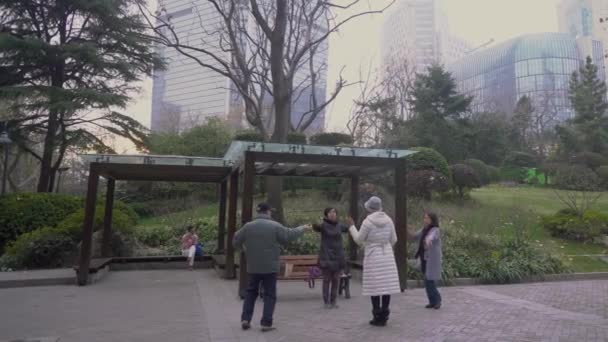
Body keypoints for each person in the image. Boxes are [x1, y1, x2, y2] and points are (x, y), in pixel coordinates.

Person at [233, 202, 312, 332]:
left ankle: (245, 319)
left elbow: (235, 240)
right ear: (268, 211)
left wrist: (244, 250)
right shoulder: (274, 226)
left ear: (258, 212)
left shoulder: (247, 227)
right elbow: (289, 235)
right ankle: (266, 323)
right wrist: (302, 228)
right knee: (269, 294)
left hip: (253, 266)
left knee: (251, 292)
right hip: (270, 267)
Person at [347, 196, 400, 327]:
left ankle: (376, 316)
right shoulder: (389, 220)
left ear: (369, 208)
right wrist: (385, 245)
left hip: (373, 255)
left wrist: (352, 227)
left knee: (375, 286)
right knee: (386, 286)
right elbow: (394, 239)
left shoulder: (367, 222)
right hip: (386, 255)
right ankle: (385, 315)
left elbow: (359, 239)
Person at [312, 207, 349, 309]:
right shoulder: (323, 225)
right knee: (327, 280)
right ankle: (326, 301)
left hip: (338, 256)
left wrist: (351, 224)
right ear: (326, 214)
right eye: (330, 212)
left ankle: (333, 301)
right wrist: (315, 223)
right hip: (326, 256)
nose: (332, 214)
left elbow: (348, 229)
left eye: (334, 212)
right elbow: (316, 227)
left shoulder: (339, 225)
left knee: (336, 280)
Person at [408, 211, 443, 309]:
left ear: (432, 220)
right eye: (424, 218)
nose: (425, 220)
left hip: (432, 260)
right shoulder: (423, 229)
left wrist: (428, 241)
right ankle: (432, 301)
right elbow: (414, 237)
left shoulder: (435, 230)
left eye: (427, 218)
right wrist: (407, 230)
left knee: (429, 280)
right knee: (427, 281)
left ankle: (437, 300)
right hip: (424, 258)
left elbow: (430, 237)